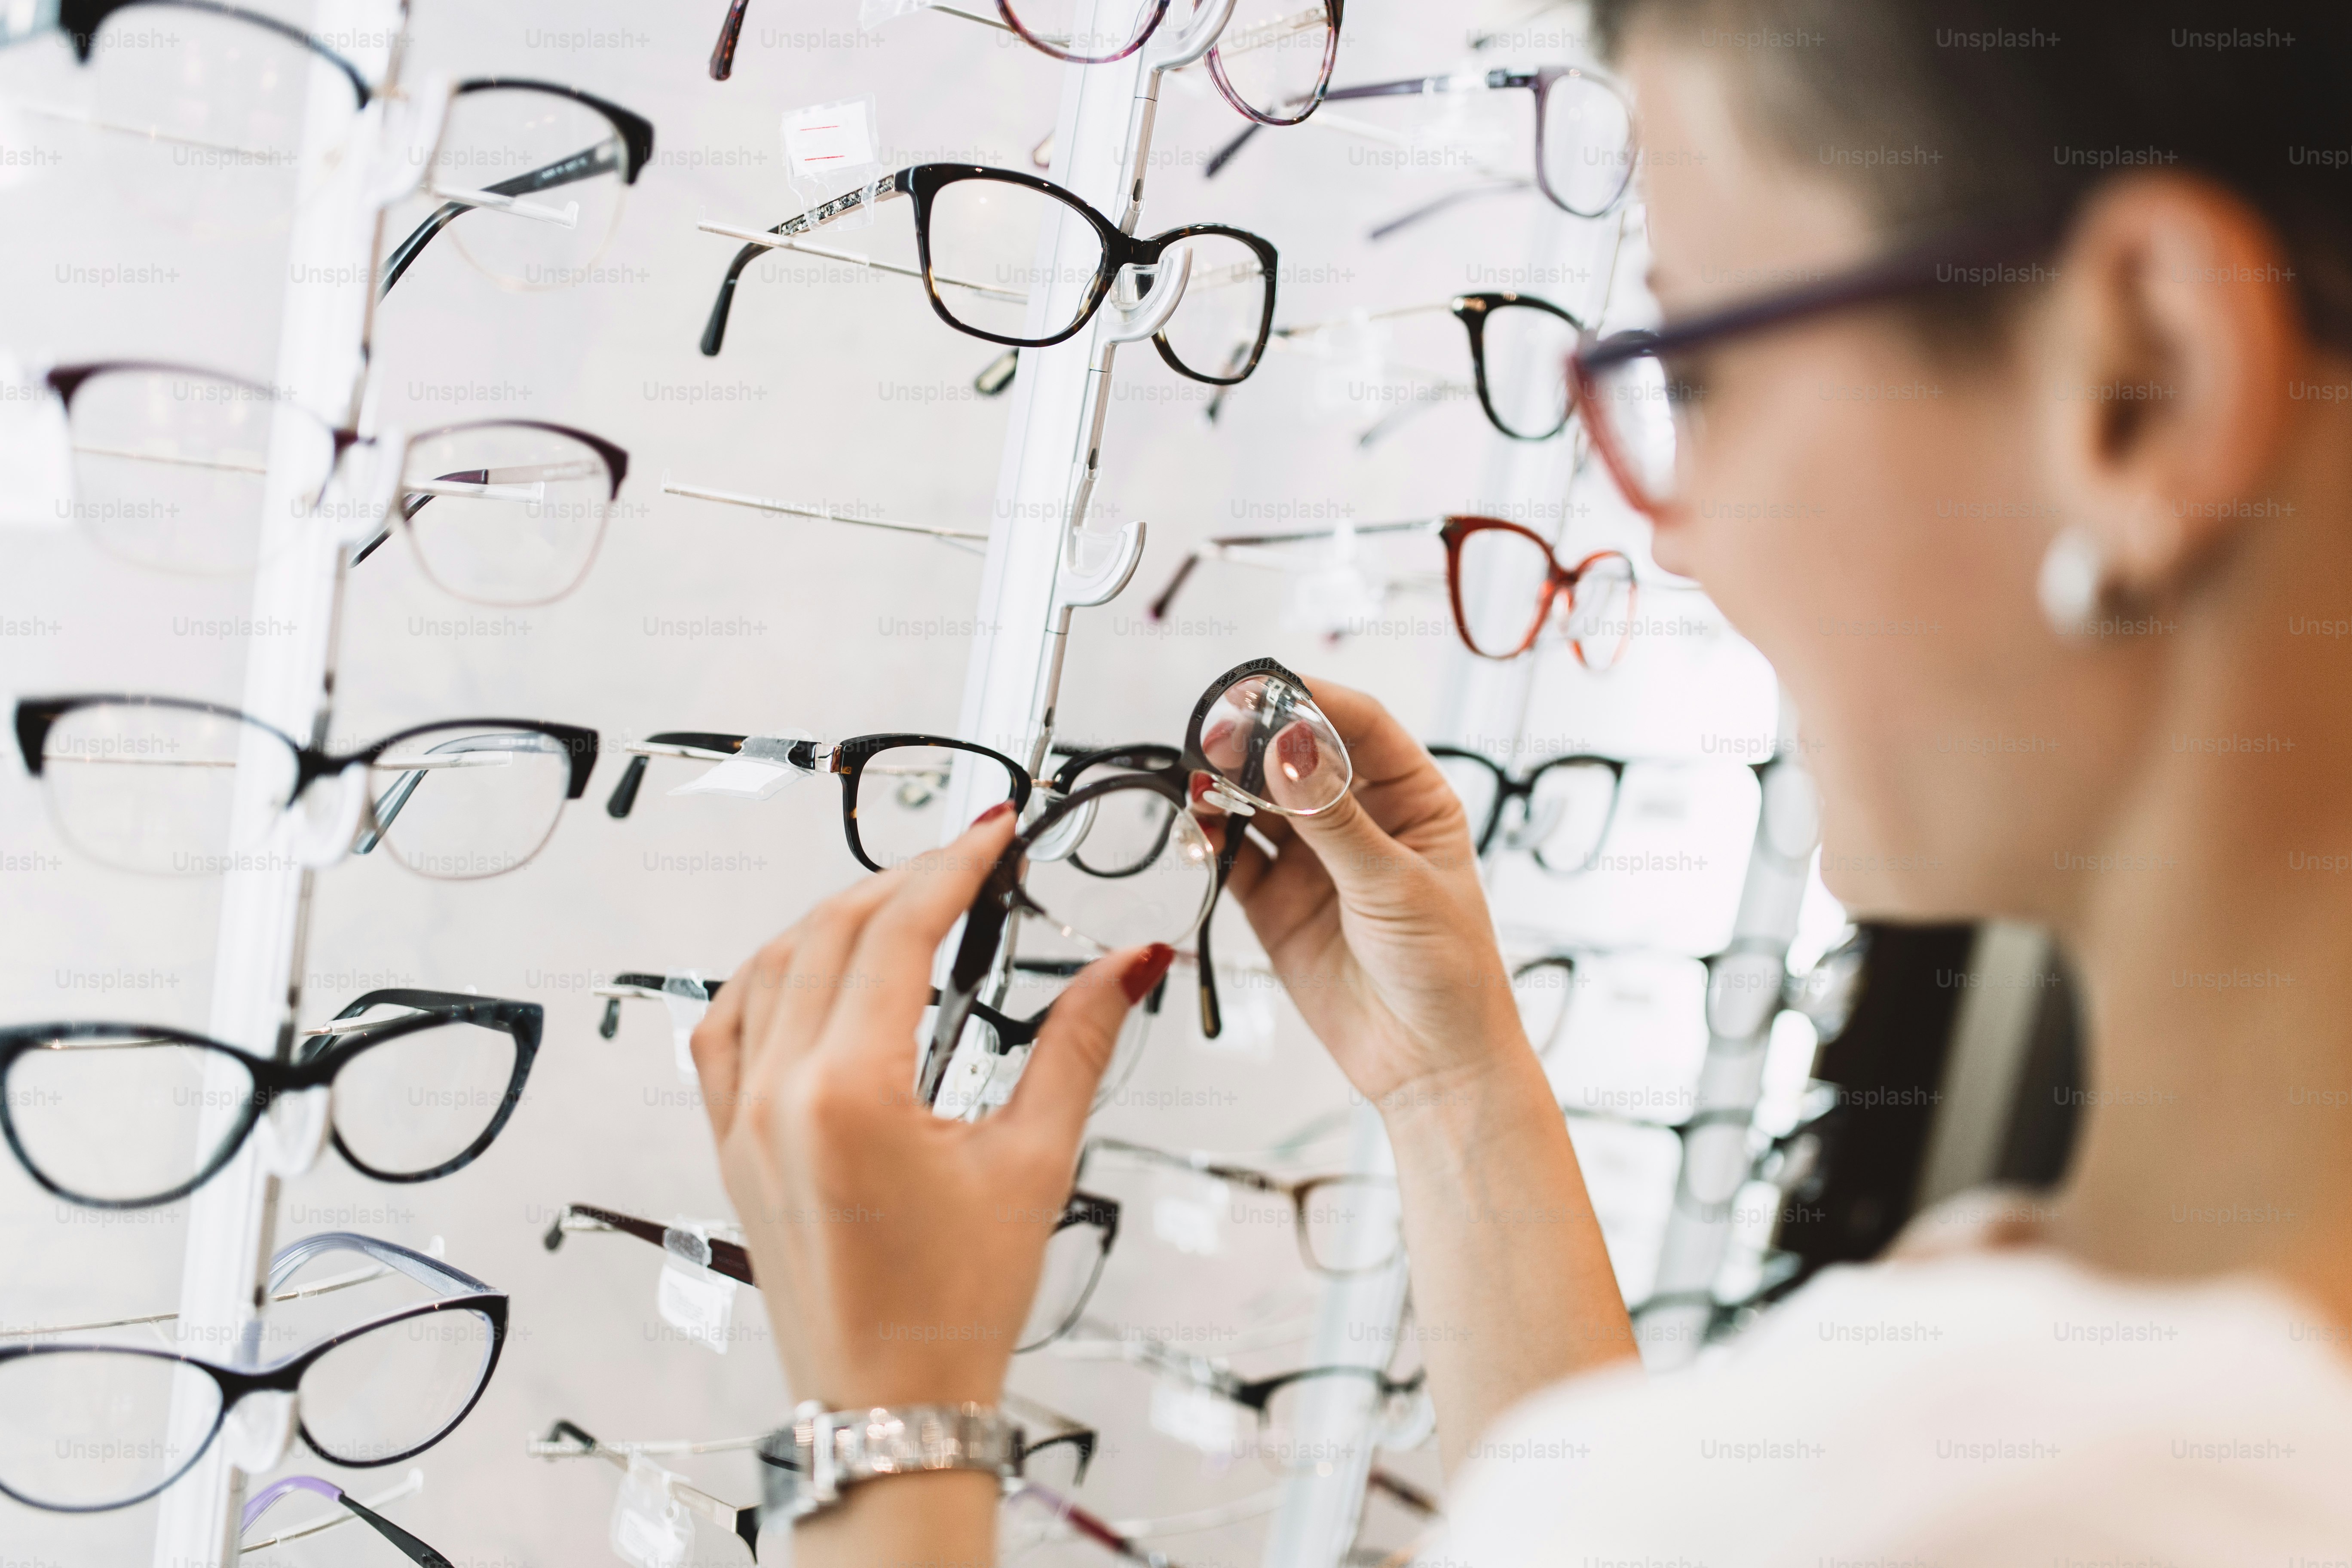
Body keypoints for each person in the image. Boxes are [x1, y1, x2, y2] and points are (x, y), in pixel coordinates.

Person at [685, 2, 2352, 1561]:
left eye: (1698, 373)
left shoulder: (2035, 1487)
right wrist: (1453, 1078)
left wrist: (889, 1437)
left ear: (2151, 387)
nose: (1674, 538)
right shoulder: (2132, 1386)